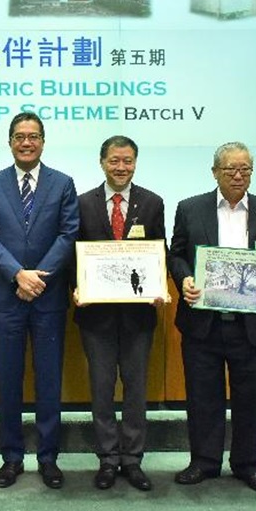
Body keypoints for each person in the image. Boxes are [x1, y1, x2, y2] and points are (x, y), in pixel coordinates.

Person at [169, 141, 256, 494]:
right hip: (203, 324)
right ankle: (204, 462)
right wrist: (185, 278)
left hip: (252, 326)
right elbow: (176, 255)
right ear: (215, 172)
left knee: (252, 399)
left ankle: (249, 465)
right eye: (230, 170)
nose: (238, 176)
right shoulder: (191, 209)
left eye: (246, 170)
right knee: (202, 396)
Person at [0, 112, 80, 489]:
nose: (26, 142)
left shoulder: (62, 183)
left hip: (48, 298)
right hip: (7, 297)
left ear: (42, 141)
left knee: (49, 380)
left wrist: (38, 278)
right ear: (10, 142)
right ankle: (11, 457)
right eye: (19, 136)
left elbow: (68, 234)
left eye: (33, 136)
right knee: (8, 380)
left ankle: (48, 458)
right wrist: (18, 274)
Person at [73, 136, 165, 492]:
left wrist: (159, 287)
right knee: (101, 388)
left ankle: (133, 460)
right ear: (102, 163)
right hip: (96, 316)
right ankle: (108, 459)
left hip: (138, 316)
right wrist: (76, 289)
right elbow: (72, 255)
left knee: (136, 389)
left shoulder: (152, 203)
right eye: (114, 161)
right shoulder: (83, 204)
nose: (121, 167)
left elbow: (160, 250)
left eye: (127, 161)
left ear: (135, 163)